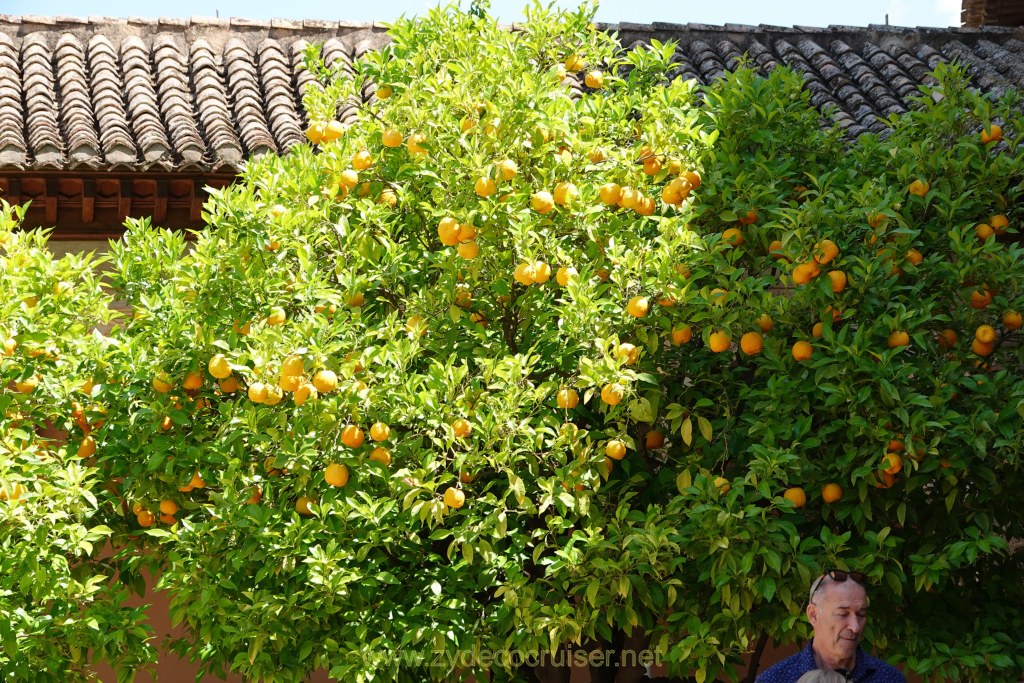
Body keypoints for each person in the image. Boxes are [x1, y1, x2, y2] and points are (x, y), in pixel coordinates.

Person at [755, 570, 906, 682]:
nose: (855, 627)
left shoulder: (889, 679)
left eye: (860, 615)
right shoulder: (774, 679)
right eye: (842, 614)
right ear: (813, 614)